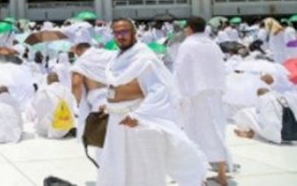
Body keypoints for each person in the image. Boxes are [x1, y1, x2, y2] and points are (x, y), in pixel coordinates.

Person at [97, 18, 207, 186]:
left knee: (142, 169)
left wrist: (139, 117)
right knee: (116, 165)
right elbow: (116, 86)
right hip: (116, 120)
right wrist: (109, 105)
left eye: (124, 32)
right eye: (117, 33)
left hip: (136, 121)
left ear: (134, 33)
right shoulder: (116, 59)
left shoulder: (144, 58)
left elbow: (159, 89)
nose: (120, 36)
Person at [174, 16, 231, 185]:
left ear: (189, 28)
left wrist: (177, 95)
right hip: (215, 94)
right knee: (217, 133)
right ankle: (222, 174)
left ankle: (198, 178)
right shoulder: (212, 44)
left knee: (195, 135)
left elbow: (180, 71)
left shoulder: (188, 45)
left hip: (196, 96)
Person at [71, 43, 112, 139]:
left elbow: (76, 83)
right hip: (115, 98)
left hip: (97, 102)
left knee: (100, 140)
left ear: (78, 51)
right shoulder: (108, 55)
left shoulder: (82, 60)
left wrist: (77, 102)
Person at [31, 73, 76, 139]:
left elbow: (34, 105)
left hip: (52, 129)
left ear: (47, 81)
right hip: (67, 126)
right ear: (58, 80)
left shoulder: (44, 91)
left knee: (41, 114)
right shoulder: (67, 90)